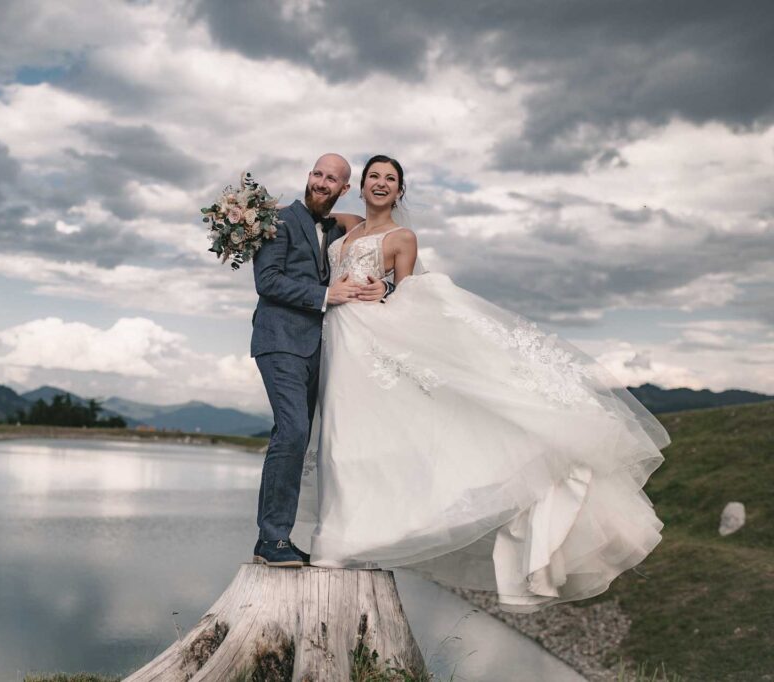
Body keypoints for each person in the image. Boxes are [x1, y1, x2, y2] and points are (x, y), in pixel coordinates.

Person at [298, 154, 668, 612]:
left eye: (390, 180)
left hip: (369, 341)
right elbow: (304, 213)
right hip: (339, 339)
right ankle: (334, 535)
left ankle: (347, 540)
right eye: (373, 176)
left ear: (399, 192)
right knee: (337, 436)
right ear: (360, 185)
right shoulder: (345, 224)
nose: (380, 184)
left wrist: (386, 290)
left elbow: (409, 295)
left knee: (359, 440)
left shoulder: (402, 237)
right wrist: (251, 214)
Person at [249, 153, 389, 567]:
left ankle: (277, 538)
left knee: (299, 437)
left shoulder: (335, 227)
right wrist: (327, 295)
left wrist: (383, 285)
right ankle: (271, 540)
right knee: (292, 432)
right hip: (279, 340)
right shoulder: (279, 221)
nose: (321, 182)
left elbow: (365, 239)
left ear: (344, 188)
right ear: (308, 177)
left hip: (318, 346)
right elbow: (267, 280)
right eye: (317, 174)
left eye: (332, 179)